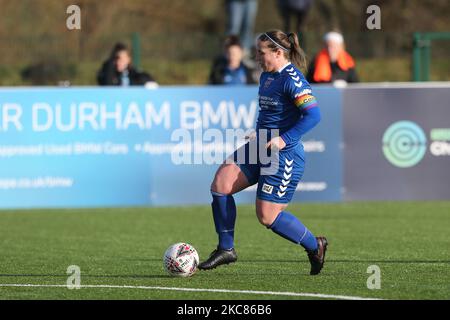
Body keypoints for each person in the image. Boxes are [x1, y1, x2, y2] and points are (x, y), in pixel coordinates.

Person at [198, 30, 328, 275]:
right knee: (220, 184)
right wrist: (260, 134)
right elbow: (271, 113)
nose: (256, 56)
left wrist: (283, 139)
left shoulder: (293, 79)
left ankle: (315, 245)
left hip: (284, 154)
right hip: (261, 146)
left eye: (261, 52)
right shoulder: (266, 76)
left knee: (267, 217)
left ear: (278, 52)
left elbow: (314, 115)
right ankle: (226, 249)